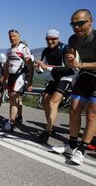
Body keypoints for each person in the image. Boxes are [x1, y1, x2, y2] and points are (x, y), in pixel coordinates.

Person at [52, 9, 96, 165]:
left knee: (91, 114)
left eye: (80, 23)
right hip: (85, 75)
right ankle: (71, 145)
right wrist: (69, 58)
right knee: (74, 110)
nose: (76, 27)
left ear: (90, 21)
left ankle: (82, 150)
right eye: (73, 24)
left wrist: (80, 64)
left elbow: (80, 63)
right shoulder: (73, 39)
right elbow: (71, 58)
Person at [35, 29, 75, 144]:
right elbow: (41, 69)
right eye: (48, 39)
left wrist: (47, 67)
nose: (50, 41)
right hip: (55, 78)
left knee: (53, 103)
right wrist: (39, 68)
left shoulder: (65, 48)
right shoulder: (46, 50)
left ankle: (47, 132)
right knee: (45, 102)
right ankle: (50, 127)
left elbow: (68, 68)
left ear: (58, 39)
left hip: (66, 77)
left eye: (53, 39)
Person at [2, 29, 34, 132]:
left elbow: (30, 64)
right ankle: (18, 117)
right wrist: (4, 79)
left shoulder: (23, 48)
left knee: (13, 98)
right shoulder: (8, 50)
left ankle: (11, 122)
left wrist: (30, 81)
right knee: (15, 99)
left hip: (20, 76)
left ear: (19, 36)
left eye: (14, 36)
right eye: (10, 36)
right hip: (11, 76)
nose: (12, 38)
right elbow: (7, 65)